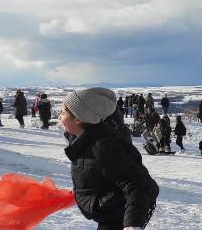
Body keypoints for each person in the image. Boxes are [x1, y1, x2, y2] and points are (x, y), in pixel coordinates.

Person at [60, 87, 158, 229]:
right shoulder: (83, 139)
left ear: (78, 119)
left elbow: (136, 183)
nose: (60, 117)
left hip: (121, 214)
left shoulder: (103, 146)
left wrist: (132, 224)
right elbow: (94, 172)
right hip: (109, 212)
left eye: (63, 113)